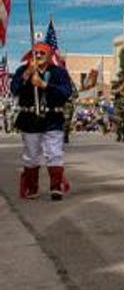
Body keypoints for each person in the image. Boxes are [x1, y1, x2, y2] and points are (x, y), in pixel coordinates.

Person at [13, 41, 74, 201]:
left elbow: (66, 92)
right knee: (31, 155)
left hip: (52, 118)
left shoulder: (59, 72)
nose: (38, 55)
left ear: (49, 55)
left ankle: (56, 187)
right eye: (35, 53)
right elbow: (14, 89)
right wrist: (27, 74)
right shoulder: (22, 70)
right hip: (30, 119)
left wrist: (44, 85)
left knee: (54, 153)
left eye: (42, 53)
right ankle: (32, 188)